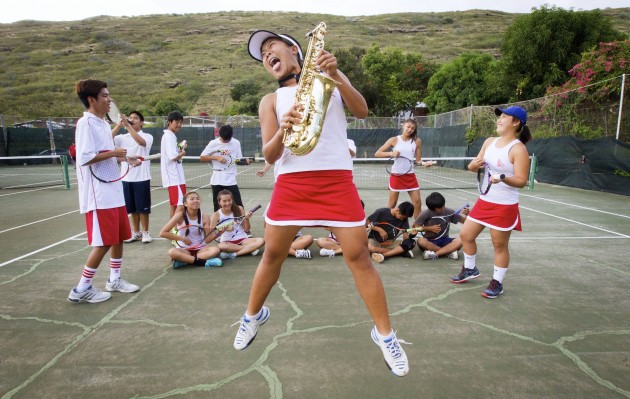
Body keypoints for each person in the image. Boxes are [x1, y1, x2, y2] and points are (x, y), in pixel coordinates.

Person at [233, 29, 409, 377]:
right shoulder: (270, 101)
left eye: (272, 47)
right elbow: (269, 153)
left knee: (359, 256)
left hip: (335, 181)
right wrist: (283, 130)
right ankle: (252, 317)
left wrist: (336, 74)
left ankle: (386, 336)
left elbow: (361, 110)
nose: (267, 54)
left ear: (293, 49)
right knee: (271, 253)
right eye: (263, 54)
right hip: (291, 184)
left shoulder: (329, 77)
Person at [67, 79, 140, 304]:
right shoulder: (85, 123)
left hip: (114, 190)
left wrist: (126, 157)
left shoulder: (100, 124)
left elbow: (106, 152)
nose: (109, 100)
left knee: (119, 237)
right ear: (92, 100)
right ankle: (81, 289)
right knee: (104, 242)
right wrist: (114, 153)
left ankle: (114, 280)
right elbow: (85, 157)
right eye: (105, 96)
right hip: (99, 194)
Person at [451, 106, 532, 299]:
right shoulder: (489, 142)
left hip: (504, 205)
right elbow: (473, 166)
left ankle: (497, 283)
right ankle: (470, 270)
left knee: (499, 245)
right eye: (500, 116)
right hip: (484, 200)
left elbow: (522, 181)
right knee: (465, 235)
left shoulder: (518, 149)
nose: (499, 120)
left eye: (504, 117)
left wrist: (502, 177)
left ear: (516, 122)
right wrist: (472, 165)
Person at [111, 111, 154, 244]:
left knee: (143, 208)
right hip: (126, 178)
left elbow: (141, 142)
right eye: (130, 118)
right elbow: (107, 139)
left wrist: (128, 126)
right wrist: (119, 125)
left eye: (135, 118)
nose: (132, 119)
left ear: (141, 122)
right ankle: (136, 232)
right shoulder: (122, 138)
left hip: (142, 177)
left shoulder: (147, 136)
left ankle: (146, 232)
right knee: (132, 208)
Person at [375, 118, 424, 219]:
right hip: (396, 175)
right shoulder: (394, 140)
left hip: (410, 175)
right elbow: (377, 153)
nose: (410, 129)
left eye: (413, 128)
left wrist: (424, 163)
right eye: (408, 127)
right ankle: (387, 223)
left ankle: (417, 227)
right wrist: (391, 153)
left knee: (417, 202)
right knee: (392, 205)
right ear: (403, 126)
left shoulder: (417, 141)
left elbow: (418, 161)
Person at [159, 191, 223, 269]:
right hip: (184, 249)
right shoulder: (179, 216)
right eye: (192, 199)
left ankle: (185, 260)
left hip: (200, 249)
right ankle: (204, 262)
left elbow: (208, 239)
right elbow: (163, 233)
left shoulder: (205, 216)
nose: (196, 201)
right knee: (172, 252)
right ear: (185, 203)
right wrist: (182, 238)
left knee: (215, 250)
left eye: (197, 199)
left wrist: (219, 233)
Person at [200, 124, 250, 212]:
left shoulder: (236, 143)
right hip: (217, 179)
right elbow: (202, 157)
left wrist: (246, 162)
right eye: (224, 140)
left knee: (238, 206)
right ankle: (218, 225)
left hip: (230, 179)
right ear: (220, 135)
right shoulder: (213, 143)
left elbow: (237, 161)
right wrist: (216, 157)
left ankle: (240, 224)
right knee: (217, 207)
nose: (226, 141)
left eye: (228, 140)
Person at [414, 192, 468, 260]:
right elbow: (415, 228)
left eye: (443, 205)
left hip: (445, 240)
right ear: (432, 208)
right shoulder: (426, 213)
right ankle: (448, 252)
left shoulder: (449, 211)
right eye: (439, 208)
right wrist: (429, 228)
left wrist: (467, 214)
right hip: (430, 241)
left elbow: (466, 221)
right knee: (420, 241)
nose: (442, 208)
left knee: (462, 240)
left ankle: (436, 254)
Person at [211, 189, 264, 260]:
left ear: (232, 200)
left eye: (229, 200)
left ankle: (234, 254)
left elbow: (247, 229)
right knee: (221, 246)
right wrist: (225, 228)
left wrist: (247, 218)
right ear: (219, 202)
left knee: (261, 241)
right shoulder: (216, 214)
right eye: (224, 201)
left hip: (243, 239)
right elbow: (211, 231)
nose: (227, 203)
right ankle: (250, 249)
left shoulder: (239, 209)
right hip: (227, 242)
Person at [160, 111, 187, 219]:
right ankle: (175, 229)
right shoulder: (169, 136)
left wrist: (180, 148)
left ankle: (173, 229)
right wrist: (182, 153)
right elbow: (173, 156)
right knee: (181, 204)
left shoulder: (171, 136)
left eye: (181, 122)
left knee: (174, 204)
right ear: (169, 122)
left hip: (176, 177)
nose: (179, 125)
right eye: (176, 122)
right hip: (173, 177)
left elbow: (173, 153)